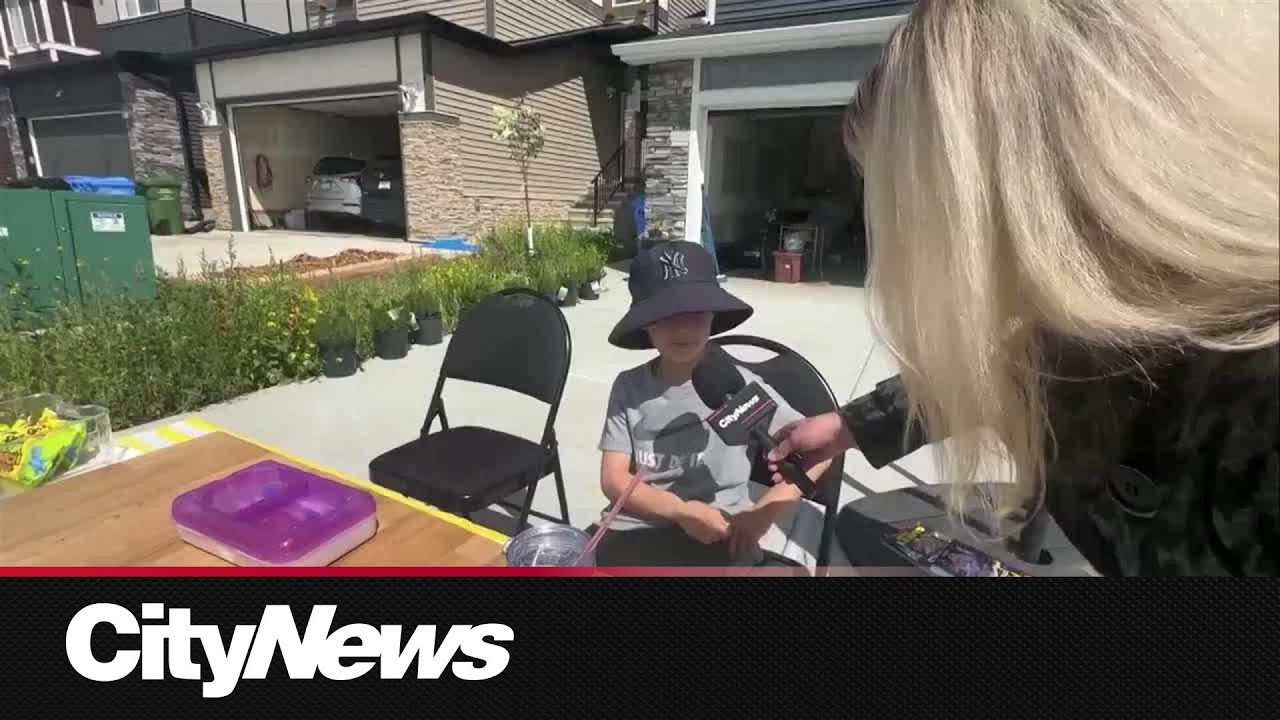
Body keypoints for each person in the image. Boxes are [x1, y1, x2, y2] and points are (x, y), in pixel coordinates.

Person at [769, 0, 1279, 577]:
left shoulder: (1255, 395)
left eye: (912, 194)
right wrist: (852, 426)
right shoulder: (1097, 319)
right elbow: (1003, 369)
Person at [590, 240, 832, 566]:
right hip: (637, 525)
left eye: (695, 312)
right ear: (645, 323)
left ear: (713, 314)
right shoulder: (629, 387)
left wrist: (763, 514)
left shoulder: (739, 388)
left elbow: (821, 452)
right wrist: (680, 511)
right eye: (665, 316)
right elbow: (613, 479)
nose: (682, 327)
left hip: (722, 531)